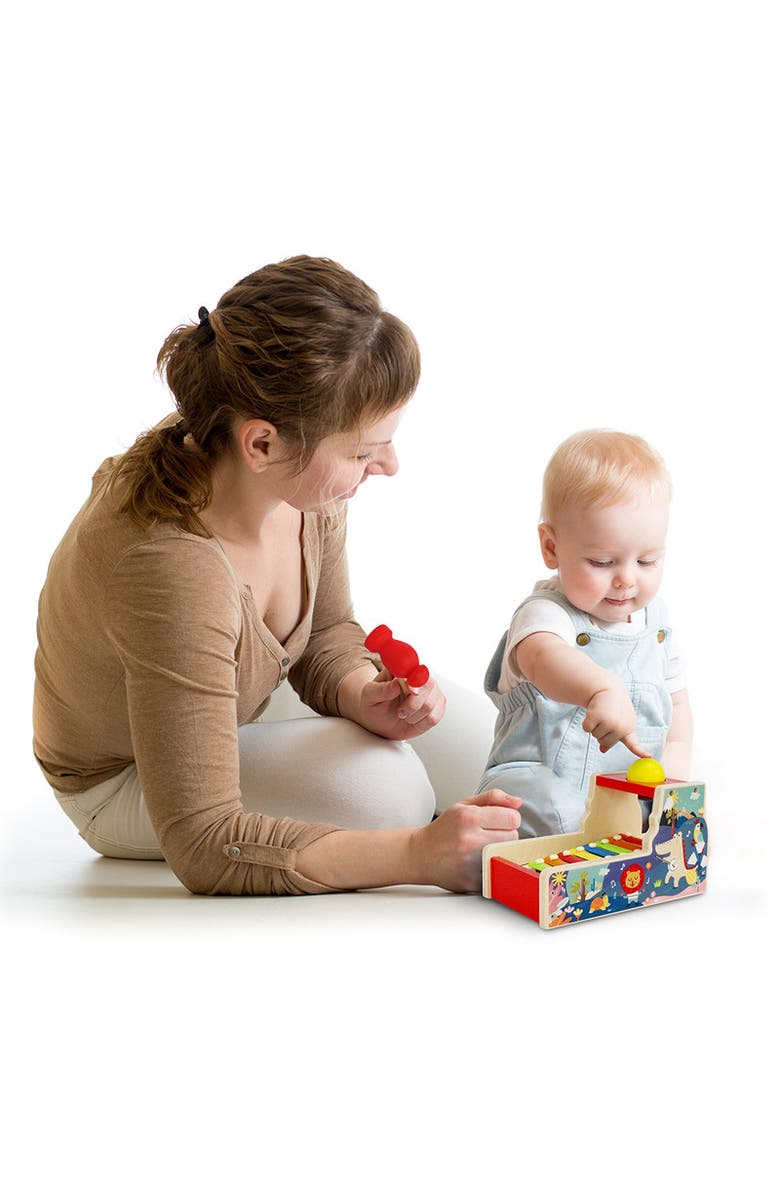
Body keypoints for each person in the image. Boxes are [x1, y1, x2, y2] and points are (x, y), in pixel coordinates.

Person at [33, 256, 520, 896]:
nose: (390, 466)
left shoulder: (288, 477)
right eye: (364, 450)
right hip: (127, 777)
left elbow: (327, 633)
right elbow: (205, 840)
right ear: (260, 444)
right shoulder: (170, 567)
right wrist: (415, 854)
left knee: (500, 752)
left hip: (242, 703)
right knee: (392, 796)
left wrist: (356, 692)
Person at [478, 429, 693, 837]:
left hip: (624, 793)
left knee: (680, 823)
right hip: (536, 781)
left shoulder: (658, 629)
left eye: (647, 561)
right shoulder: (544, 616)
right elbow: (543, 659)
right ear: (551, 548)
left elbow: (678, 711)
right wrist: (601, 689)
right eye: (602, 561)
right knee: (554, 813)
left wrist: (673, 783)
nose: (626, 579)